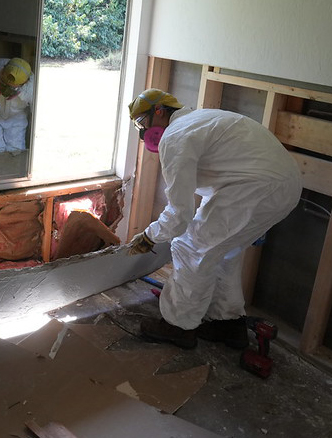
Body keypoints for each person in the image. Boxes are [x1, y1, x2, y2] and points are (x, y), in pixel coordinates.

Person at [128, 88, 302, 349]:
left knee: (190, 247)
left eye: (142, 123)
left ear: (160, 112)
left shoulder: (175, 136)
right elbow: (222, 177)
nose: (143, 134)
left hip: (254, 188)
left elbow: (180, 214)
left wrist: (150, 236)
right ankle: (228, 324)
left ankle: (178, 326)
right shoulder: (200, 119)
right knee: (223, 251)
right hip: (281, 186)